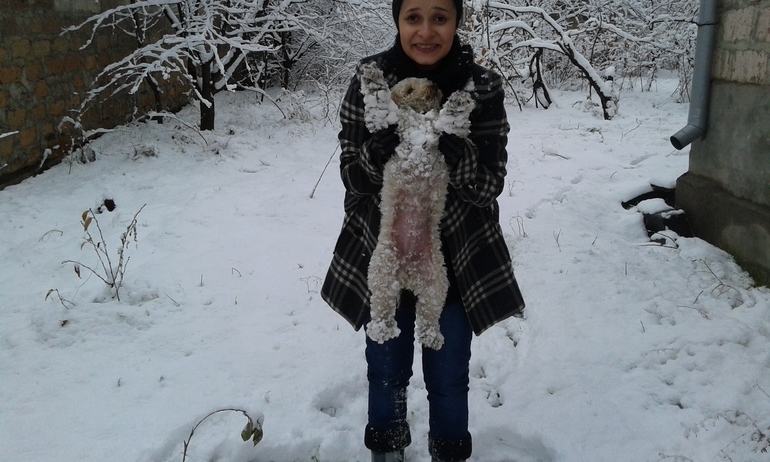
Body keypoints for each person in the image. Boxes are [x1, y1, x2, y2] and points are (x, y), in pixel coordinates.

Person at [321, 0, 525, 461]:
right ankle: (387, 451)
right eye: (413, 16)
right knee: (385, 371)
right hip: (383, 247)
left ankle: (448, 454)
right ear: (398, 20)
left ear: (457, 21)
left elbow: (490, 185)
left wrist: (461, 157)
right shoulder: (370, 82)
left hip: (457, 259)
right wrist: (374, 155)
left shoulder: (482, 88)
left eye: (440, 17)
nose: (426, 31)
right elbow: (352, 177)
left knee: (449, 376)